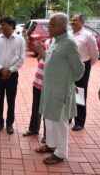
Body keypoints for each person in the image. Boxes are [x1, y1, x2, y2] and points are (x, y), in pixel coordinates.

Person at [36, 12, 84, 165]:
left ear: (61, 26)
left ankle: (61, 152)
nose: (48, 27)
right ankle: (51, 144)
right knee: (49, 118)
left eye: (51, 25)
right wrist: (42, 52)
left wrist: (69, 82)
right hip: (50, 89)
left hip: (60, 91)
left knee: (60, 122)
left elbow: (79, 69)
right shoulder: (56, 40)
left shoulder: (69, 43)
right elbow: (52, 61)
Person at [0, 17, 25, 134]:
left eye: (4, 25)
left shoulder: (20, 40)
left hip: (12, 75)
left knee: (11, 100)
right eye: (1, 25)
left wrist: (10, 70)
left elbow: (21, 58)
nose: (2, 27)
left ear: (12, 26)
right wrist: (1, 69)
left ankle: (10, 124)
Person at [70, 14, 99, 131]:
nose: (72, 22)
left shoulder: (88, 36)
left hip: (83, 67)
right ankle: (69, 116)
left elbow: (95, 54)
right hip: (69, 67)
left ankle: (79, 122)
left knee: (79, 94)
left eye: (75, 20)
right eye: (71, 20)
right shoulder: (69, 34)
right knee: (69, 92)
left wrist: (86, 66)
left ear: (82, 22)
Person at [23, 38, 52, 142]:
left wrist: (43, 51)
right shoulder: (48, 41)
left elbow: (52, 63)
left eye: (51, 26)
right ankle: (33, 129)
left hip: (48, 83)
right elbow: (40, 59)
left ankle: (47, 135)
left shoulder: (60, 44)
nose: (49, 29)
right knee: (36, 106)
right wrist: (41, 51)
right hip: (38, 79)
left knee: (47, 110)